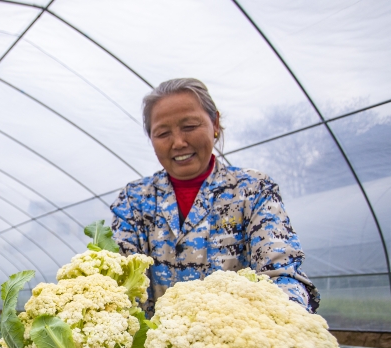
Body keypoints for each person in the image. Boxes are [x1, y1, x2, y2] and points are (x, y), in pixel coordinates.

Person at [110, 78, 318, 317]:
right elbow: (119, 281)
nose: (178, 142)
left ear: (215, 123)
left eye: (189, 127)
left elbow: (282, 273)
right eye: (163, 133)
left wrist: (284, 322)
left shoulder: (253, 190)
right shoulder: (133, 201)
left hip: (236, 342)